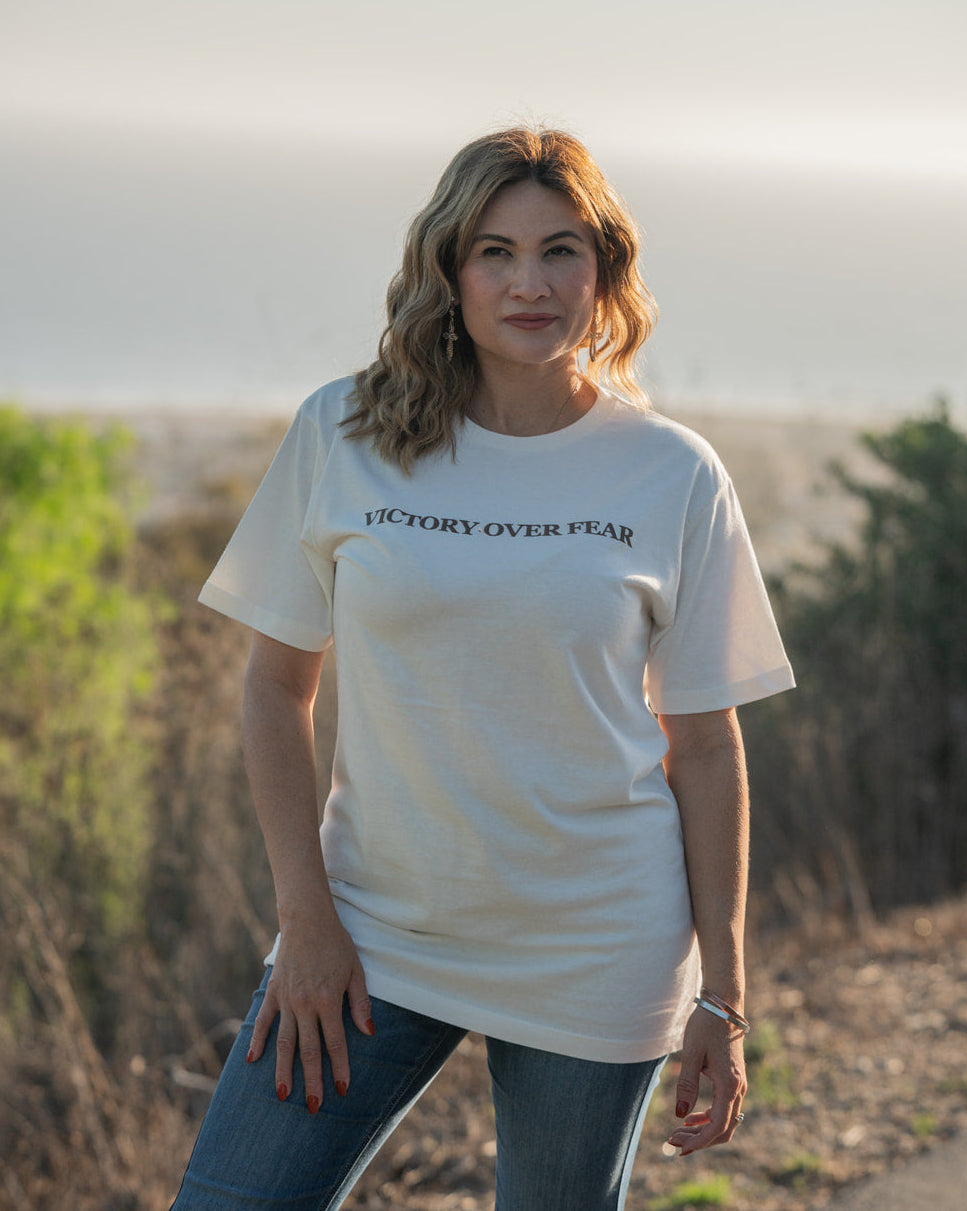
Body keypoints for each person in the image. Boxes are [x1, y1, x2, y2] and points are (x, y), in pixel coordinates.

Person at [171, 127, 794, 1211]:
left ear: (604, 271)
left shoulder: (672, 473)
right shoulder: (347, 431)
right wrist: (305, 919)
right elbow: (276, 687)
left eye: (562, 250)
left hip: (598, 941)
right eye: (496, 252)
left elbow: (703, 744)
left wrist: (725, 998)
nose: (530, 282)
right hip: (370, 928)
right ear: (449, 271)